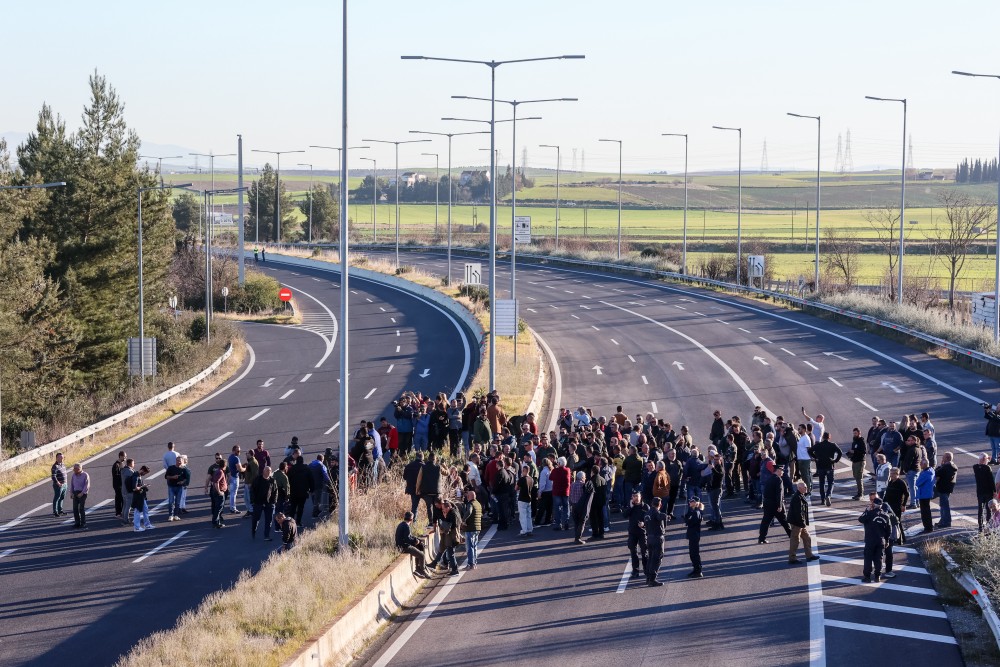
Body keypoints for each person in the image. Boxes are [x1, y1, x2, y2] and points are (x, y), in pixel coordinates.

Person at [859, 496, 892, 583]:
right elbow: (889, 530)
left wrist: (867, 510)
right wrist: (887, 540)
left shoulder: (870, 513)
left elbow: (861, 519)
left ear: (874, 504)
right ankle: (877, 576)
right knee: (879, 559)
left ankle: (867, 577)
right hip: (881, 540)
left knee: (868, 559)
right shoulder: (886, 516)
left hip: (870, 540)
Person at [759, 461, 792, 543]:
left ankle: (761, 538)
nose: (783, 472)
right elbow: (779, 494)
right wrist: (780, 505)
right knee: (784, 521)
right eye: (782, 470)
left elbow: (765, 492)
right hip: (776, 504)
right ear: (778, 470)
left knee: (765, 522)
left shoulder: (770, 478)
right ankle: (792, 536)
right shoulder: (779, 480)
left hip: (768, 503)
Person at [788, 481, 819, 565]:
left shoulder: (800, 495)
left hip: (800, 522)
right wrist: (802, 523)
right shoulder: (797, 498)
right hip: (797, 523)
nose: (806, 488)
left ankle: (809, 555)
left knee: (807, 538)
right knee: (795, 540)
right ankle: (792, 558)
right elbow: (798, 512)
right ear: (799, 488)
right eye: (804, 487)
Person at [810, 432, 843, 507]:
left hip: (820, 466)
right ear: (829, 437)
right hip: (829, 465)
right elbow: (840, 452)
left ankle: (822, 499)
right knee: (830, 482)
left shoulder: (818, 445)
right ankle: (828, 495)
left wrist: (816, 457)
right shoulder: (832, 445)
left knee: (821, 483)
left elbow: (810, 451)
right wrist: (835, 460)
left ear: (823, 437)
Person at [395, 511, 429, 578]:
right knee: (421, 555)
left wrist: (416, 539)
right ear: (411, 519)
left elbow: (409, 536)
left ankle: (418, 567)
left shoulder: (401, 524)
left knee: (419, 547)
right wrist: (415, 542)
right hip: (404, 547)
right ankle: (422, 570)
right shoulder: (406, 526)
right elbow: (407, 539)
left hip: (400, 545)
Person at [644, 497, 668, 587]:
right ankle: (652, 579)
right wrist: (665, 516)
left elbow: (645, 524)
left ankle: (648, 578)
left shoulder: (647, 513)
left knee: (650, 558)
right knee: (657, 559)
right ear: (660, 505)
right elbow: (660, 516)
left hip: (649, 538)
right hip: (657, 538)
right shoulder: (656, 512)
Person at [625, 491, 649, 578]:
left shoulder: (645, 507)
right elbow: (624, 515)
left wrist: (644, 524)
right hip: (632, 532)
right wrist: (630, 507)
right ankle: (635, 571)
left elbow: (650, 520)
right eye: (633, 496)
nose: (635, 498)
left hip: (642, 533)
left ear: (640, 496)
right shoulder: (631, 506)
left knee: (644, 552)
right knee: (633, 552)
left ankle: (646, 570)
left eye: (636, 496)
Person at [250, 465, 278, 540]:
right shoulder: (257, 479)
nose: (268, 472)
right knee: (256, 519)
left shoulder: (272, 480)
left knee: (269, 520)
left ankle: (266, 536)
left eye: (270, 471)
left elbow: (275, 491)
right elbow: (252, 490)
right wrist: (253, 501)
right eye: (267, 471)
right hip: (258, 503)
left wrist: (274, 501)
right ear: (263, 471)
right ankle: (253, 531)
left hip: (269, 503)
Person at [934, 452, 957, 529]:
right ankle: (943, 520)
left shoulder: (945, 467)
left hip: (943, 488)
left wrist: (941, 465)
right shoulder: (953, 466)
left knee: (944, 506)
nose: (942, 458)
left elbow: (936, 473)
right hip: (948, 488)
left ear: (946, 458)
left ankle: (946, 521)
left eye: (943, 457)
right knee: (943, 505)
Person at [460, 489, 482, 569]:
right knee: (474, 546)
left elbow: (469, 512)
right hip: (477, 528)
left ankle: (470, 564)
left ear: (469, 496)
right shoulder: (478, 504)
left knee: (469, 547)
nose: (466, 497)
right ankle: (474, 563)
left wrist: (463, 520)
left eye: (467, 496)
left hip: (470, 528)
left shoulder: (470, 504)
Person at [570, 471, 594, 545]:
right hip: (581, 506)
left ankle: (576, 537)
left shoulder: (572, 484)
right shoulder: (583, 485)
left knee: (576, 522)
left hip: (573, 505)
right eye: (584, 477)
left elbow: (570, 495)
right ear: (582, 478)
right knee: (582, 522)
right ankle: (578, 538)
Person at [973, 455, 996, 532]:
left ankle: (980, 525)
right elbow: (991, 481)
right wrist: (994, 491)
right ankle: (988, 524)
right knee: (989, 509)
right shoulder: (987, 468)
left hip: (980, 492)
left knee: (980, 509)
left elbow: (977, 465)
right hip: (988, 491)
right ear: (984, 459)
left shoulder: (975, 468)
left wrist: (983, 459)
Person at [205, 457, 228, 529]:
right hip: (219, 493)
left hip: (217, 492)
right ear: (224, 465)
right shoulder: (220, 472)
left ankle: (216, 522)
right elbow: (216, 482)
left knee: (217, 508)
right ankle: (216, 523)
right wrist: (219, 492)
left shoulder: (218, 471)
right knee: (218, 508)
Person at [684, 498, 705, 578]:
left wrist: (687, 519)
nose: (689, 502)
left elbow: (690, 522)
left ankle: (698, 571)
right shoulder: (692, 511)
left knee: (694, 554)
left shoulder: (696, 512)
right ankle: (695, 569)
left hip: (694, 535)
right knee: (692, 554)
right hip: (692, 534)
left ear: (696, 503)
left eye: (692, 501)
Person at [130, 465, 153, 532]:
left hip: (141, 496)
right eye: (145, 473)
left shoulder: (138, 476)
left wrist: (143, 486)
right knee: (137, 511)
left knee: (145, 509)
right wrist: (143, 486)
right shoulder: (136, 476)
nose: (144, 474)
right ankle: (137, 527)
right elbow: (134, 488)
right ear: (142, 470)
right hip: (138, 496)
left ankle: (147, 524)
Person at [550, 457, 571, 531]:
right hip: (565, 491)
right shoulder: (568, 470)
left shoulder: (555, 471)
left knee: (557, 508)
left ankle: (558, 524)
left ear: (559, 463)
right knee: (566, 507)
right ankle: (566, 522)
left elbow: (551, 477)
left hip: (557, 492)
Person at [915, 459, 935, 534]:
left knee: (924, 512)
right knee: (927, 511)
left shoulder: (925, 473)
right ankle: (928, 526)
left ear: (924, 464)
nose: (920, 465)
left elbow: (918, 482)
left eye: (921, 464)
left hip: (923, 494)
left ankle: (927, 527)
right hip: (927, 493)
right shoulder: (931, 471)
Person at [847, 428, 867, 500]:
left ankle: (860, 494)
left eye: (855, 433)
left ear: (859, 433)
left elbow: (864, 451)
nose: (854, 434)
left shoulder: (861, 441)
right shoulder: (854, 441)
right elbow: (854, 450)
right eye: (854, 433)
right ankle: (859, 493)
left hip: (860, 461)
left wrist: (854, 451)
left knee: (859, 478)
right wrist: (850, 453)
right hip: (855, 461)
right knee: (856, 477)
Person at [69, 463, 90, 529]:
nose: (74, 470)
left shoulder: (85, 475)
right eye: (74, 469)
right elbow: (72, 484)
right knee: (75, 509)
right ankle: (77, 523)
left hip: (82, 493)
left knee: (81, 508)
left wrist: (82, 493)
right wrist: (71, 493)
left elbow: (87, 485)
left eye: (76, 469)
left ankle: (83, 523)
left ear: (80, 469)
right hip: (75, 492)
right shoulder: (73, 475)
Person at [516, 464, 535, 537]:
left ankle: (524, 531)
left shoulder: (522, 479)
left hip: (522, 499)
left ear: (524, 471)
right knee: (528, 516)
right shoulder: (531, 479)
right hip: (528, 499)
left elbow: (516, 488)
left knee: (522, 516)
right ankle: (530, 529)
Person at [165, 456, 186, 521]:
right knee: (171, 501)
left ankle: (176, 515)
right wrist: (173, 477)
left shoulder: (183, 469)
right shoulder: (171, 468)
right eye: (177, 460)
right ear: (176, 461)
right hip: (171, 486)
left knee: (177, 502)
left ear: (182, 461)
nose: (179, 462)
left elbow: (186, 478)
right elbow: (166, 476)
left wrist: (182, 482)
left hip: (179, 487)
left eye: (180, 461)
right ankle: (170, 515)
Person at [227, 445, 245, 514]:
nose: (239, 452)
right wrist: (245, 469)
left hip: (231, 476)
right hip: (235, 477)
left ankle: (232, 507)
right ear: (234, 451)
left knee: (232, 493)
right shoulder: (236, 458)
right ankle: (233, 508)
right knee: (234, 494)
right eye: (238, 451)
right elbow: (240, 469)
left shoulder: (230, 457)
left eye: (240, 450)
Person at [51, 452, 67, 517]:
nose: (62, 459)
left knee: (62, 497)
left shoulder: (63, 464)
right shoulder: (55, 466)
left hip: (64, 484)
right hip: (58, 485)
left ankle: (60, 510)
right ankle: (55, 511)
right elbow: (53, 476)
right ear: (57, 458)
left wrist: (65, 483)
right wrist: (58, 483)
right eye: (61, 457)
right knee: (57, 498)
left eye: (63, 457)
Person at [111, 450, 127, 519]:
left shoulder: (122, 463)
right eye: (124, 456)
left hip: (122, 484)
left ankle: (124, 511)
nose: (125, 458)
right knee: (118, 498)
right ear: (120, 456)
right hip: (117, 485)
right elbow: (116, 475)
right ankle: (118, 512)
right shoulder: (116, 465)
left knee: (123, 498)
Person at [121, 458, 136, 524]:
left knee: (125, 505)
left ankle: (123, 517)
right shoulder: (130, 472)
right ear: (130, 464)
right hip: (128, 491)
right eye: (133, 463)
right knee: (128, 506)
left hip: (123, 490)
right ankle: (126, 519)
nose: (134, 464)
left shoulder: (123, 470)